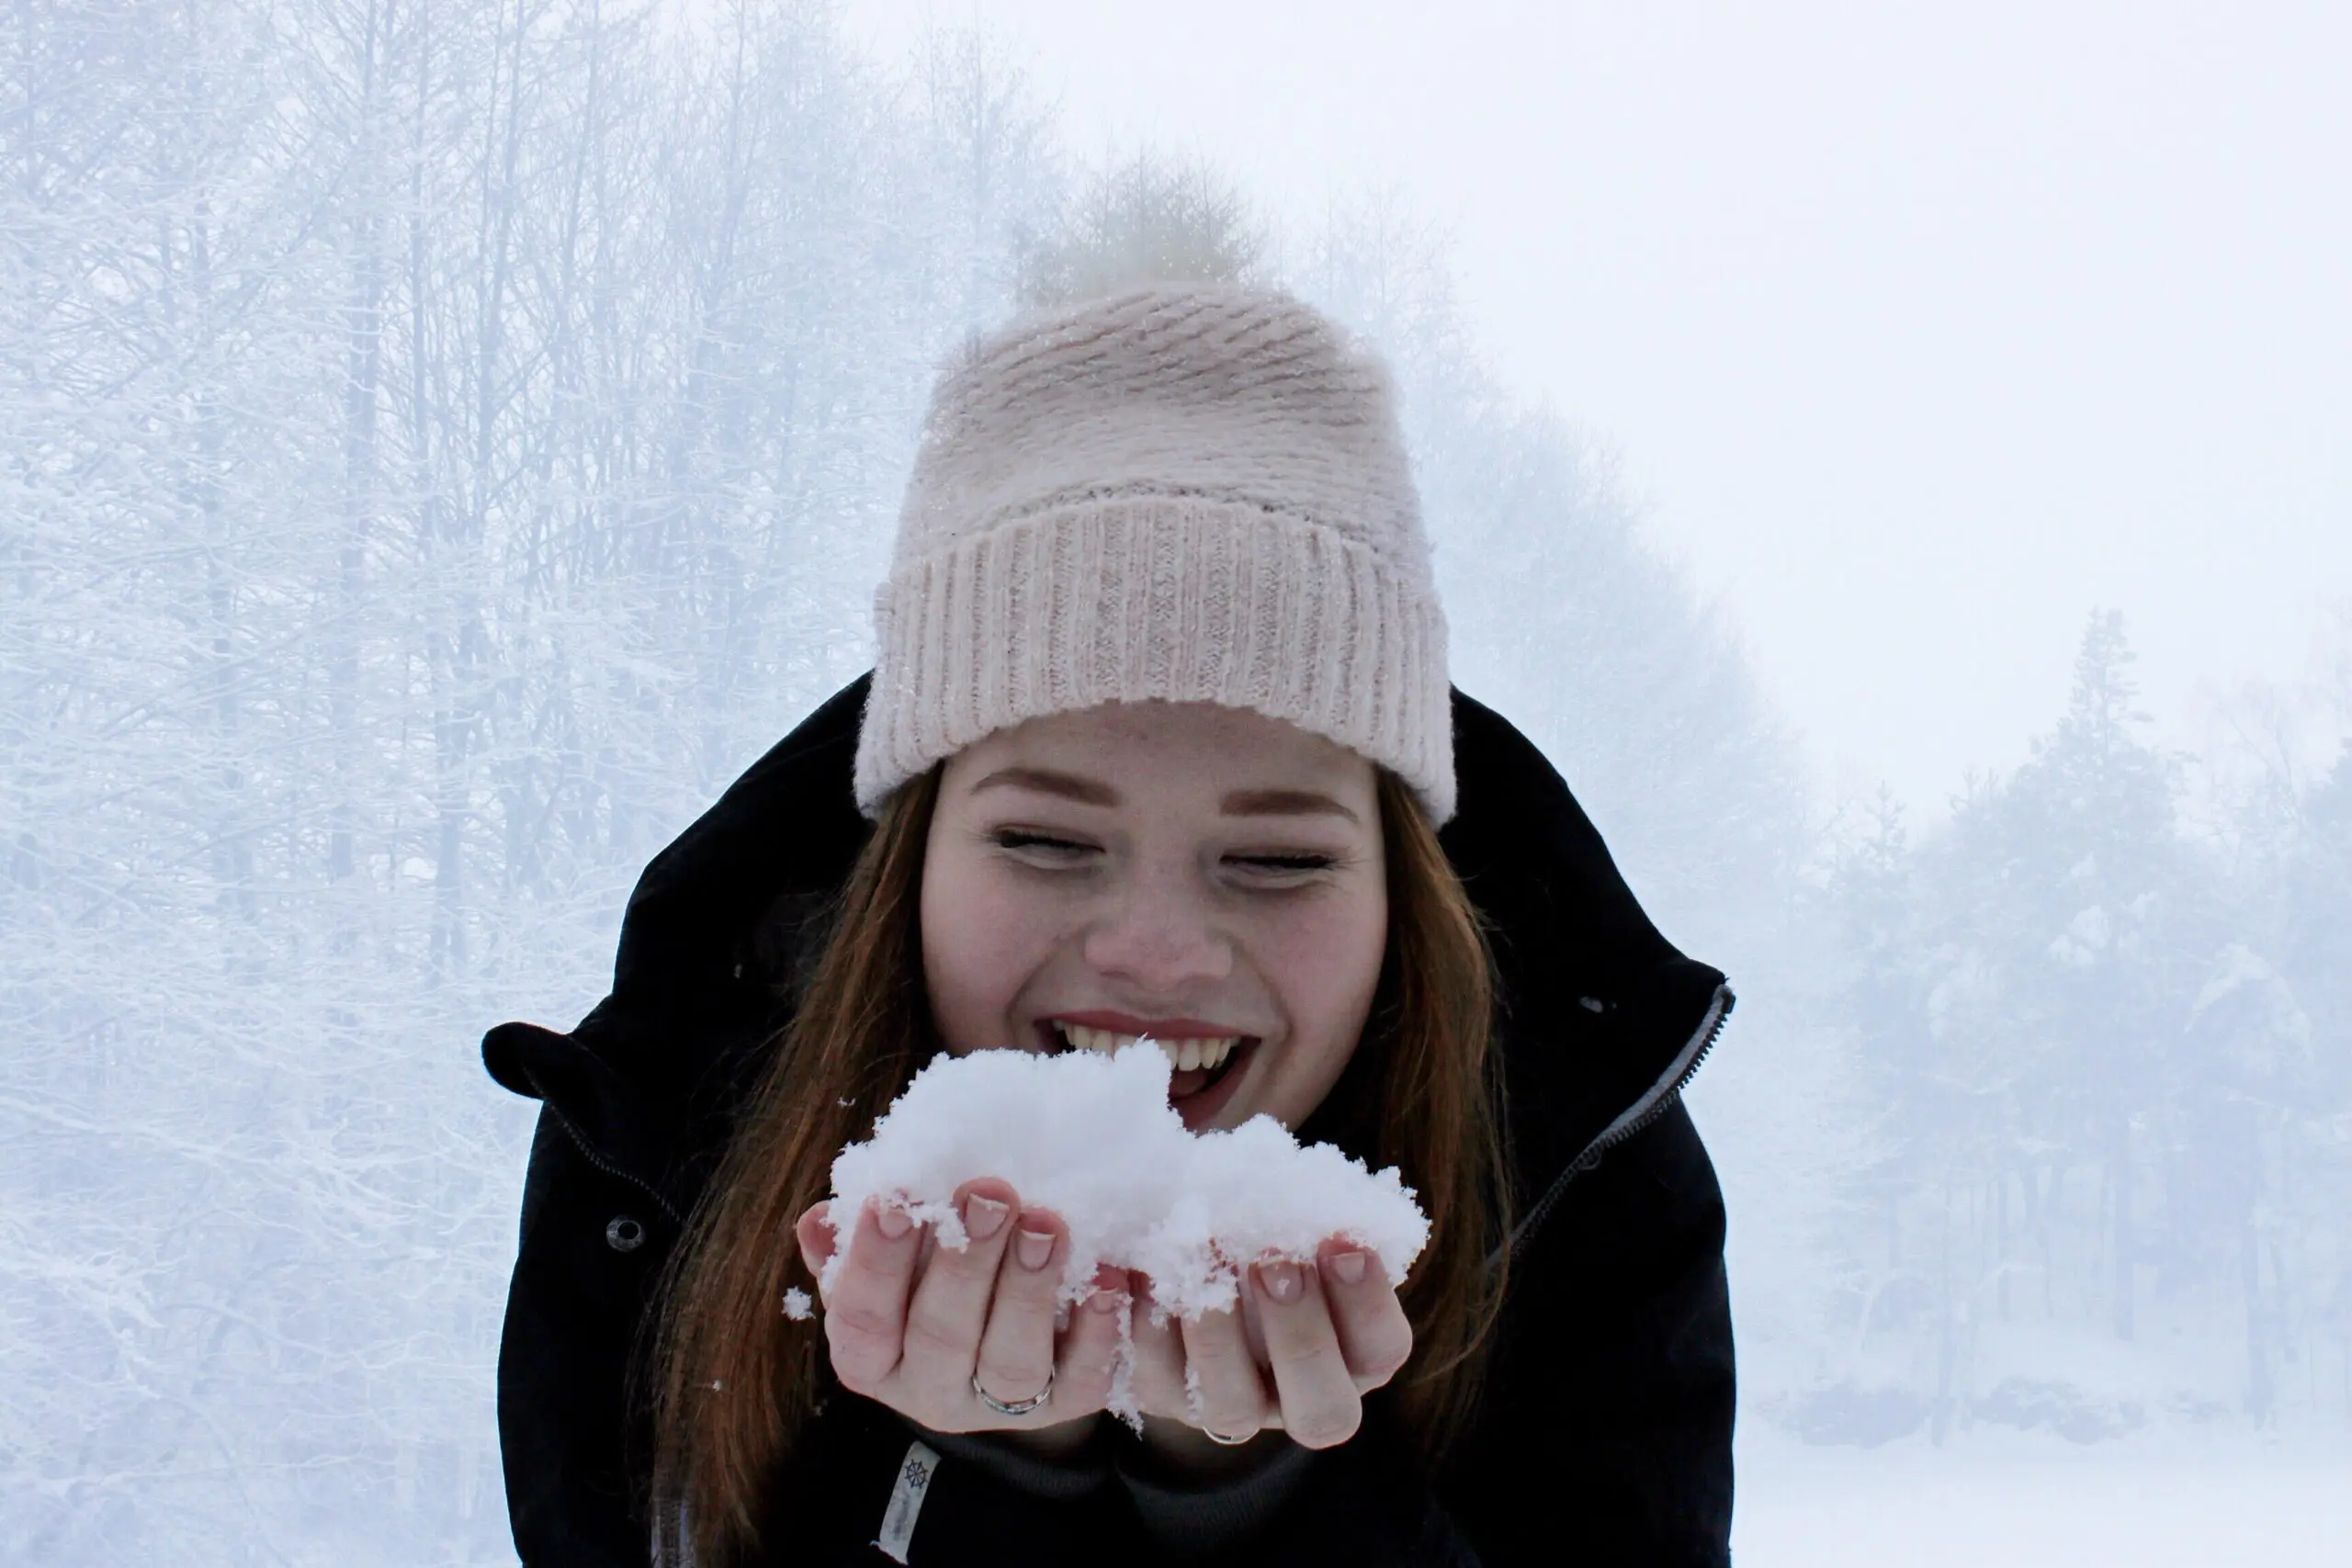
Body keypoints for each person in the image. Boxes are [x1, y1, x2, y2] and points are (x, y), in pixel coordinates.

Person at [484, 284, 1736, 1567]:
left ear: (1399, 896)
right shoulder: (661, 1154)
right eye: (1044, 840)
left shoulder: (1589, 1172)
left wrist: (1251, 1497)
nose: (1157, 952)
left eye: (1277, 858)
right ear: (905, 860)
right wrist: (987, 1475)